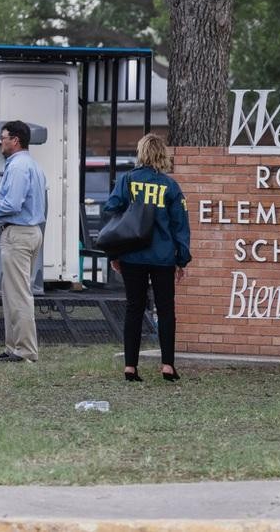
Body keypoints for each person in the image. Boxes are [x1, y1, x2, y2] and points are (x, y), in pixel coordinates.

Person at [104, 133, 191, 382]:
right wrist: (182, 259)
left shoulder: (127, 180)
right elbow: (180, 225)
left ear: (141, 153)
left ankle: (130, 366)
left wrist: (115, 253)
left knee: (134, 308)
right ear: (162, 155)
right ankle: (167, 365)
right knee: (165, 310)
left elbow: (111, 209)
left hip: (132, 255)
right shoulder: (170, 186)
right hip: (163, 256)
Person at [0, 121, 47, 363]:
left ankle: (25, 350)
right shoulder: (33, 165)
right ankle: (13, 346)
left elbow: (13, 204)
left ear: (15, 140)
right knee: (12, 292)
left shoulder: (17, 167)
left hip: (18, 234)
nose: (0, 142)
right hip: (31, 232)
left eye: (3, 138)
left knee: (18, 294)